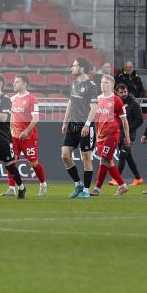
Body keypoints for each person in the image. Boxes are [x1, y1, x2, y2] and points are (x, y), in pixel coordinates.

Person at [2, 74, 47, 196]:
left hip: (28, 137)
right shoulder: (12, 99)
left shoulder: (32, 99)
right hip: (14, 136)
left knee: (34, 163)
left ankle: (43, 184)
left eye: (17, 82)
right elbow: (11, 116)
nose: (14, 83)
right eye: (14, 81)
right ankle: (12, 188)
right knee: (11, 161)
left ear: (24, 84)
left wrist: (26, 131)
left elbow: (36, 118)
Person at [60, 57, 99, 199]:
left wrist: (87, 125)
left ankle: (87, 191)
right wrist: (65, 122)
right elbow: (70, 103)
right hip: (72, 126)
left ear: (82, 68)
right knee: (65, 155)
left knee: (86, 158)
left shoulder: (92, 86)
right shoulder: (74, 83)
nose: (72, 68)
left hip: (85, 127)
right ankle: (78, 185)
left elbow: (94, 108)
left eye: (74, 65)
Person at [89, 75, 131, 196]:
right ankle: (122, 186)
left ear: (111, 85)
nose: (103, 84)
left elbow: (124, 120)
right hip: (100, 136)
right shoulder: (97, 99)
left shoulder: (116, 100)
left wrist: (127, 137)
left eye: (106, 83)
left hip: (112, 135)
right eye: (102, 82)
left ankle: (98, 188)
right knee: (108, 162)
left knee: (104, 160)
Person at [111, 82, 142, 186]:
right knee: (128, 157)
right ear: (116, 92)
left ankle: (116, 179)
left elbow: (140, 120)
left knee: (122, 155)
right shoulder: (116, 102)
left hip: (129, 135)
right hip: (119, 134)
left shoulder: (134, 103)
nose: (124, 94)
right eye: (121, 92)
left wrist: (127, 130)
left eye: (125, 91)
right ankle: (138, 178)